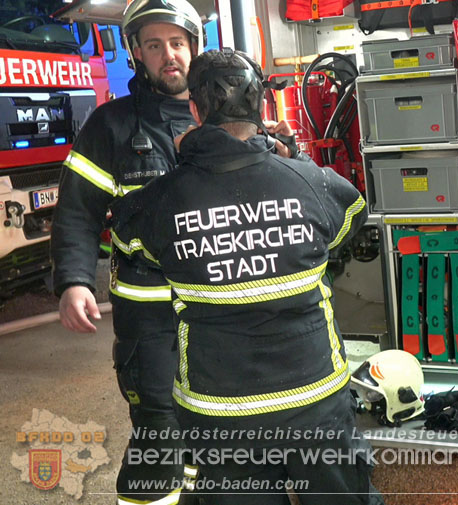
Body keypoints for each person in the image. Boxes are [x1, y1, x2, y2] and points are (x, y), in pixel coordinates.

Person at [110, 48, 383, 505]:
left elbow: (131, 241)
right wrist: (289, 160)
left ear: (194, 110)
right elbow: (348, 221)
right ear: (263, 109)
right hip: (315, 399)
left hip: (219, 410)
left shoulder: (158, 201)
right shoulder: (312, 184)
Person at [50, 1, 294, 503]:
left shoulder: (231, 120)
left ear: (194, 47)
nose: (169, 57)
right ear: (137, 52)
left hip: (220, 309)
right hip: (150, 313)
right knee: (158, 428)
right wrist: (75, 279)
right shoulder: (109, 127)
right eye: (155, 45)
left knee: (226, 424)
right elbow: (77, 210)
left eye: (178, 44)